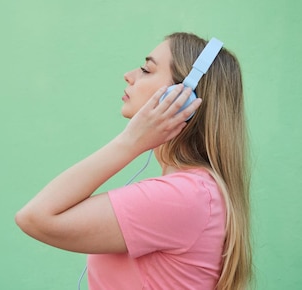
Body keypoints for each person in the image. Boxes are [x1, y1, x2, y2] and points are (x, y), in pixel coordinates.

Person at [15, 32, 252, 290]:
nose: (129, 75)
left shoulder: (184, 196)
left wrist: (130, 142)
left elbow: (35, 217)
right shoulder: (195, 193)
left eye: (146, 70)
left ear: (182, 97)